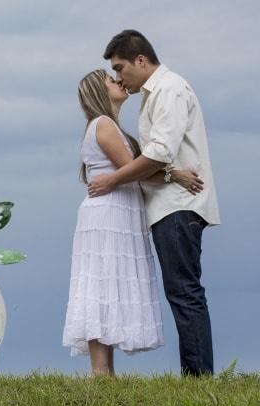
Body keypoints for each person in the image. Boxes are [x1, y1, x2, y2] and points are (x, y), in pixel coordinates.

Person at [88, 30, 221, 376]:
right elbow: (160, 161)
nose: (118, 77)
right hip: (170, 202)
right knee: (181, 291)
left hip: (178, 206)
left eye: (121, 67)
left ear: (141, 60)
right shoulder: (153, 95)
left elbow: (159, 152)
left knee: (184, 292)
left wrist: (113, 179)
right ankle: (196, 374)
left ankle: (198, 377)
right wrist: (171, 173)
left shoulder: (169, 89)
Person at [63, 69, 203, 376]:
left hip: (115, 210)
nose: (119, 82)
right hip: (109, 213)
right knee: (102, 283)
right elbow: (132, 169)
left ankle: (104, 372)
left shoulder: (109, 127)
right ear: (100, 92)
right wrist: (174, 174)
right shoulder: (104, 126)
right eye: (111, 81)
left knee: (106, 281)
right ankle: (101, 371)